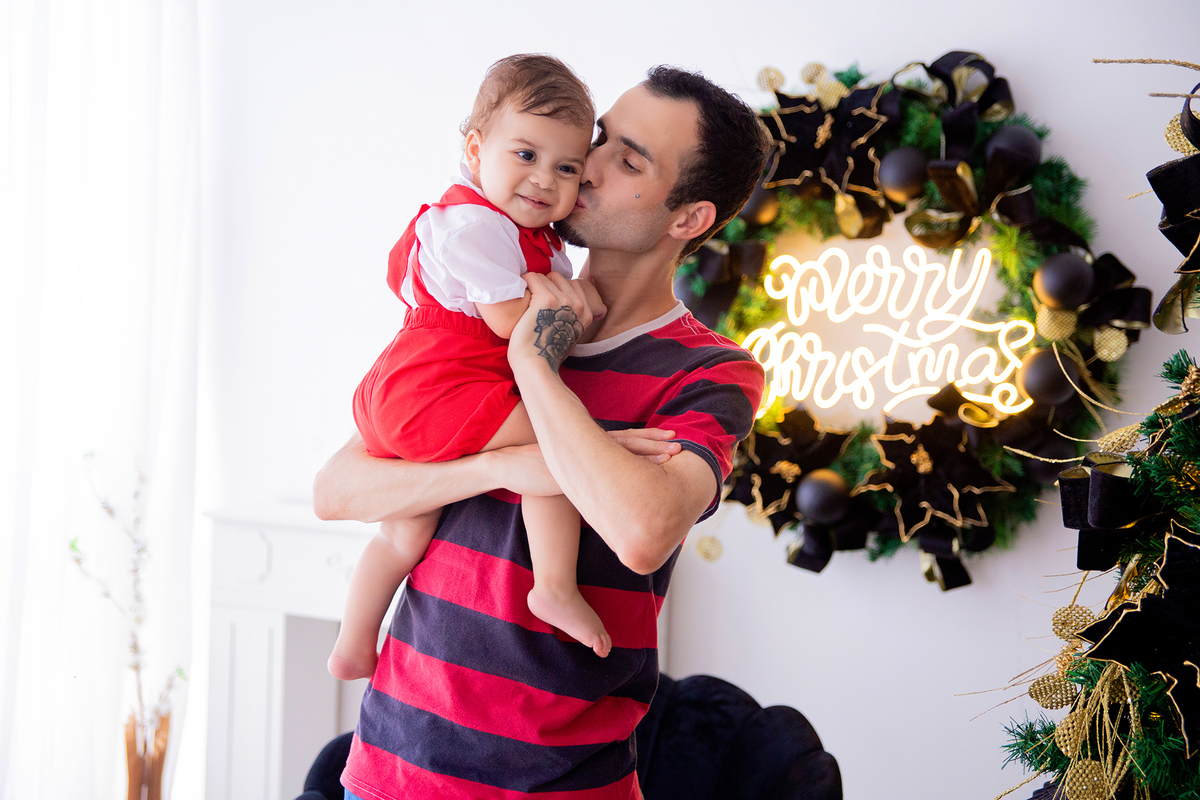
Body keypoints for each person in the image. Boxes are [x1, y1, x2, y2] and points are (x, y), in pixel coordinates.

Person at [314, 64, 771, 800]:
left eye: (628, 162)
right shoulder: (481, 306)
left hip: (558, 783)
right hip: (391, 768)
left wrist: (533, 359)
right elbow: (337, 490)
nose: (585, 166)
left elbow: (643, 531)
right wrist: (502, 466)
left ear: (688, 220)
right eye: (600, 139)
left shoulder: (709, 372)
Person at [330, 54, 614, 683]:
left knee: (403, 536)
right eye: (526, 154)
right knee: (555, 446)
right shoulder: (474, 224)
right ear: (476, 148)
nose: (544, 179)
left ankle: (353, 643)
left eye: (567, 167)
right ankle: (554, 585)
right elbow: (509, 323)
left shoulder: (518, 232)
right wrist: (562, 303)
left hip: (407, 387)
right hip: (439, 384)